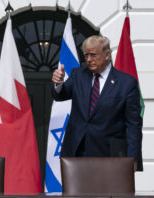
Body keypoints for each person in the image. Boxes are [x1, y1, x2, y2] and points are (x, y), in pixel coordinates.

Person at [52, 35, 143, 171]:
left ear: (107, 55)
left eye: (93, 55)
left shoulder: (126, 83)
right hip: (76, 154)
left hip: (109, 156)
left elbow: (133, 125)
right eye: (86, 55)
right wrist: (58, 84)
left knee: (107, 192)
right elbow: (61, 95)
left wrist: (133, 159)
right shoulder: (78, 75)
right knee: (75, 193)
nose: (88, 60)